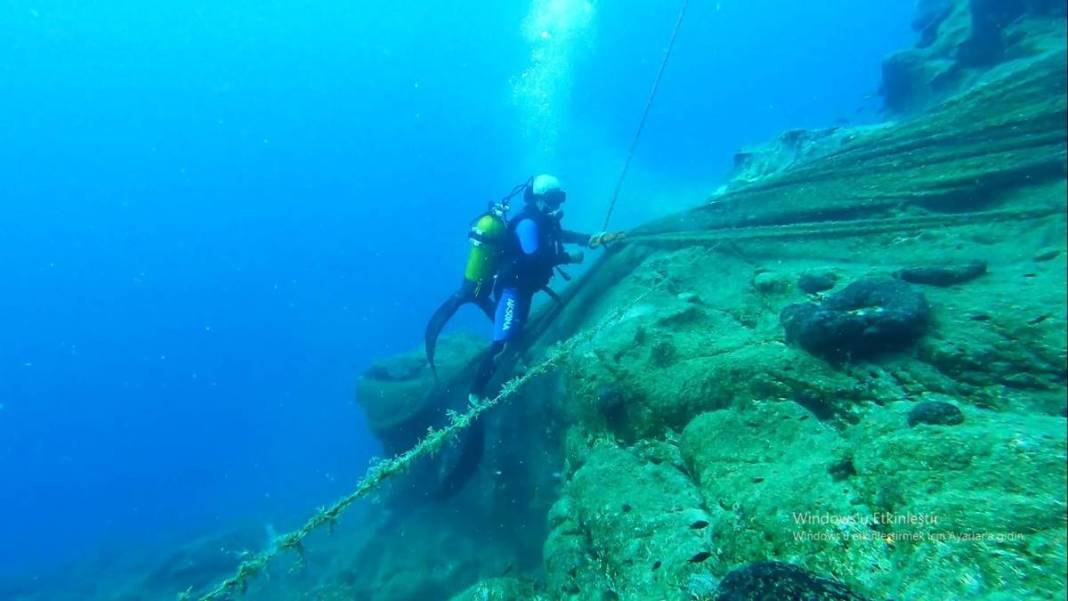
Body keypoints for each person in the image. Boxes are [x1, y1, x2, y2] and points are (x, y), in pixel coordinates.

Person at [467, 174, 623, 405]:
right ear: (537, 199)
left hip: (525, 289)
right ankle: (475, 394)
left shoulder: (546, 220)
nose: (556, 205)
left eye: (560, 199)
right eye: (552, 199)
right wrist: (568, 257)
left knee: (517, 332)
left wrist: (591, 239)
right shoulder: (528, 222)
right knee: (502, 341)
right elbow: (534, 256)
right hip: (512, 289)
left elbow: (561, 235)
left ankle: (509, 371)